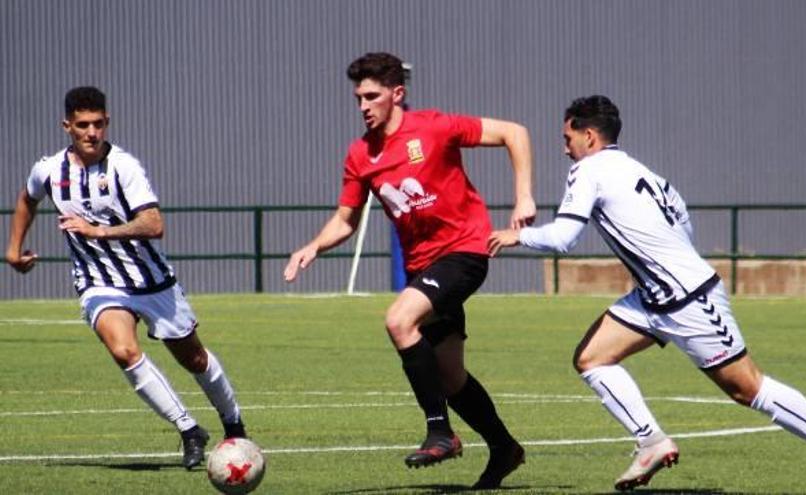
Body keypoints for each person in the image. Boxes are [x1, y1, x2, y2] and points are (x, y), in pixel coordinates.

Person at [489, 95, 806, 494]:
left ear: (589, 136)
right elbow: (681, 217)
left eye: (567, 137)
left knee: (748, 388)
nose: (563, 146)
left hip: (689, 300)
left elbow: (565, 238)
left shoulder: (589, 170)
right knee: (591, 358)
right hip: (655, 297)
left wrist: (518, 235)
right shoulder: (642, 171)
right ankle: (651, 442)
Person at [284, 52, 536, 489]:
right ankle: (504, 447)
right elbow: (346, 219)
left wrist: (524, 197)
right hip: (424, 266)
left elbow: (515, 133)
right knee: (451, 377)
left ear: (397, 94)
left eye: (372, 96)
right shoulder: (360, 154)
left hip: (465, 252)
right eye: (358, 98)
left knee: (399, 320)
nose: (363, 106)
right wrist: (313, 247)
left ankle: (440, 431)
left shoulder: (435, 127)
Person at [5, 87, 248, 470]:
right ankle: (189, 430)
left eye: (98, 124)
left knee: (195, 358)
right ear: (66, 126)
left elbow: (154, 224)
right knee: (123, 350)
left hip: (152, 281)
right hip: (98, 283)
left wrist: (98, 231)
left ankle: (234, 425)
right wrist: (13, 249)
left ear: (107, 123)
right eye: (82, 125)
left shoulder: (124, 167)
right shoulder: (50, 170)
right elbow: (27, 197)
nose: (91, 132)